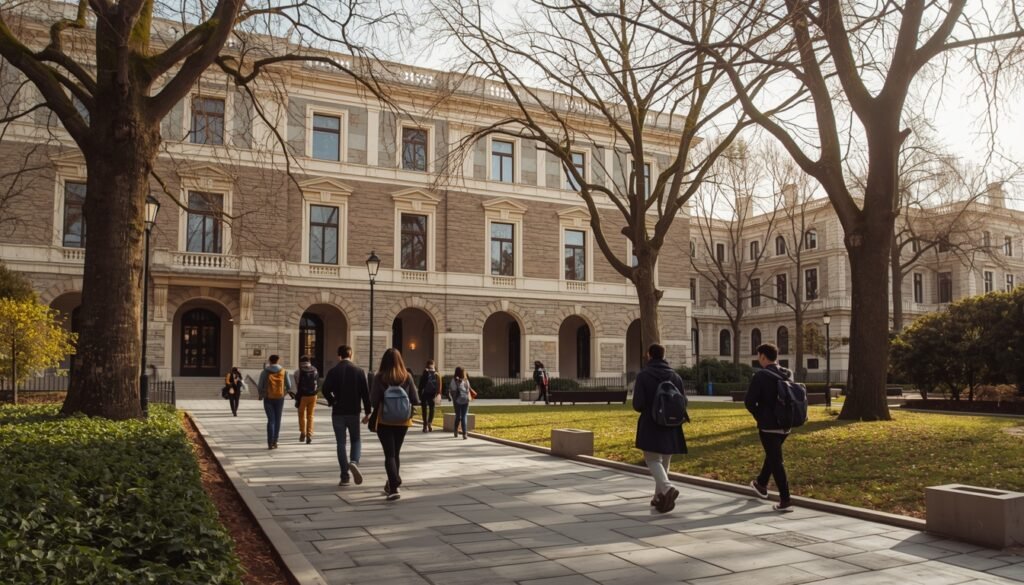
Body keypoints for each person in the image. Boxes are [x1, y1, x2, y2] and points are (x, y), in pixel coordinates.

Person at [632, 343, 686, 513]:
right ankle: (659, 498)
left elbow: (638, 404)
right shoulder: (675, 376)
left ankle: (667, 488)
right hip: (671, 424)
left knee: (652, 460)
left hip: (651, 422)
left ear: (649, 355)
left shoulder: (643, 375)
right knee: (664, 462)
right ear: (664, 355)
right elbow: (683, 401)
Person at [745, 342, 795, 513]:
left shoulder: (760, 376)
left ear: (763, 356)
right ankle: (761, 484)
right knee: (773, 455)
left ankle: (785, 499)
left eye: (759, 356)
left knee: (776, 460)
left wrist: (760, 416)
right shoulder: (788, 373)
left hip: (768, 426)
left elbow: (749, 402)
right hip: (786, 424)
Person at [369, 348, 420, 500]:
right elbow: (415, 399)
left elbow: (373, 401)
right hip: (403, 421)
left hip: (384, 420)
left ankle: (393, 487)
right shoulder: (407, 377)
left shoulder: (380, 377)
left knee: (389, 454)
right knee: (396, 453)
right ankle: (393, 483)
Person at [322, 345, 371, 487]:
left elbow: (325, 389)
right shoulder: (359, 371)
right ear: (351, 355)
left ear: (339, 356)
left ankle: (344, 476)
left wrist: (332, 401)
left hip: (338, 412)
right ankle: (354, 461)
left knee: (341, 443)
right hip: (353, 412)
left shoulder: (333, 371)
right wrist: (368, 412)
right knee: (356, 440)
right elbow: (365, 394)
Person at [257, 354, 292, 450]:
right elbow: (289, 386)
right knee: (278, 420)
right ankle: (275, 441)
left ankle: (269, 442)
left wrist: (261, 395)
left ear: (269, 361)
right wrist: (283, 394)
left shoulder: (265, 372)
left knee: (271, 420)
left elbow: (260, 386)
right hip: (279, 398)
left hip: (268, 398)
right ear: (278, 360)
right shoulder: (283, 371)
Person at [294, 355, 319, 444]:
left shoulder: (297, 372)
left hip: (302, 396)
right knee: (310, 415)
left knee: (301, 415)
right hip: (313, 396)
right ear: (309, 361)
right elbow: (317, 382)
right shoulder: (315, 370)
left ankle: (302, 432)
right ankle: (309, 434)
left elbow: (297, 385)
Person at [448, 367, 472, 439]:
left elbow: (452, 390)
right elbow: (468, 389)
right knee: (464, 416)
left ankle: (455, 430)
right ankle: (464, 433)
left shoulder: (453, 380)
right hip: (466, 400)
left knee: (458, 416)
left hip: (457, 400)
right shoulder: (466, 380)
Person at [418, 359, 440, 432]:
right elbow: (439, 385)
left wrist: (419, 394)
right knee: (431, 409)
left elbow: (421, 384)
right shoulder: (435, 373)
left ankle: (426, 425)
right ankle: (428, 424)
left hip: (427, 393)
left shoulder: (427, 373)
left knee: (426, 410)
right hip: (430, 393)